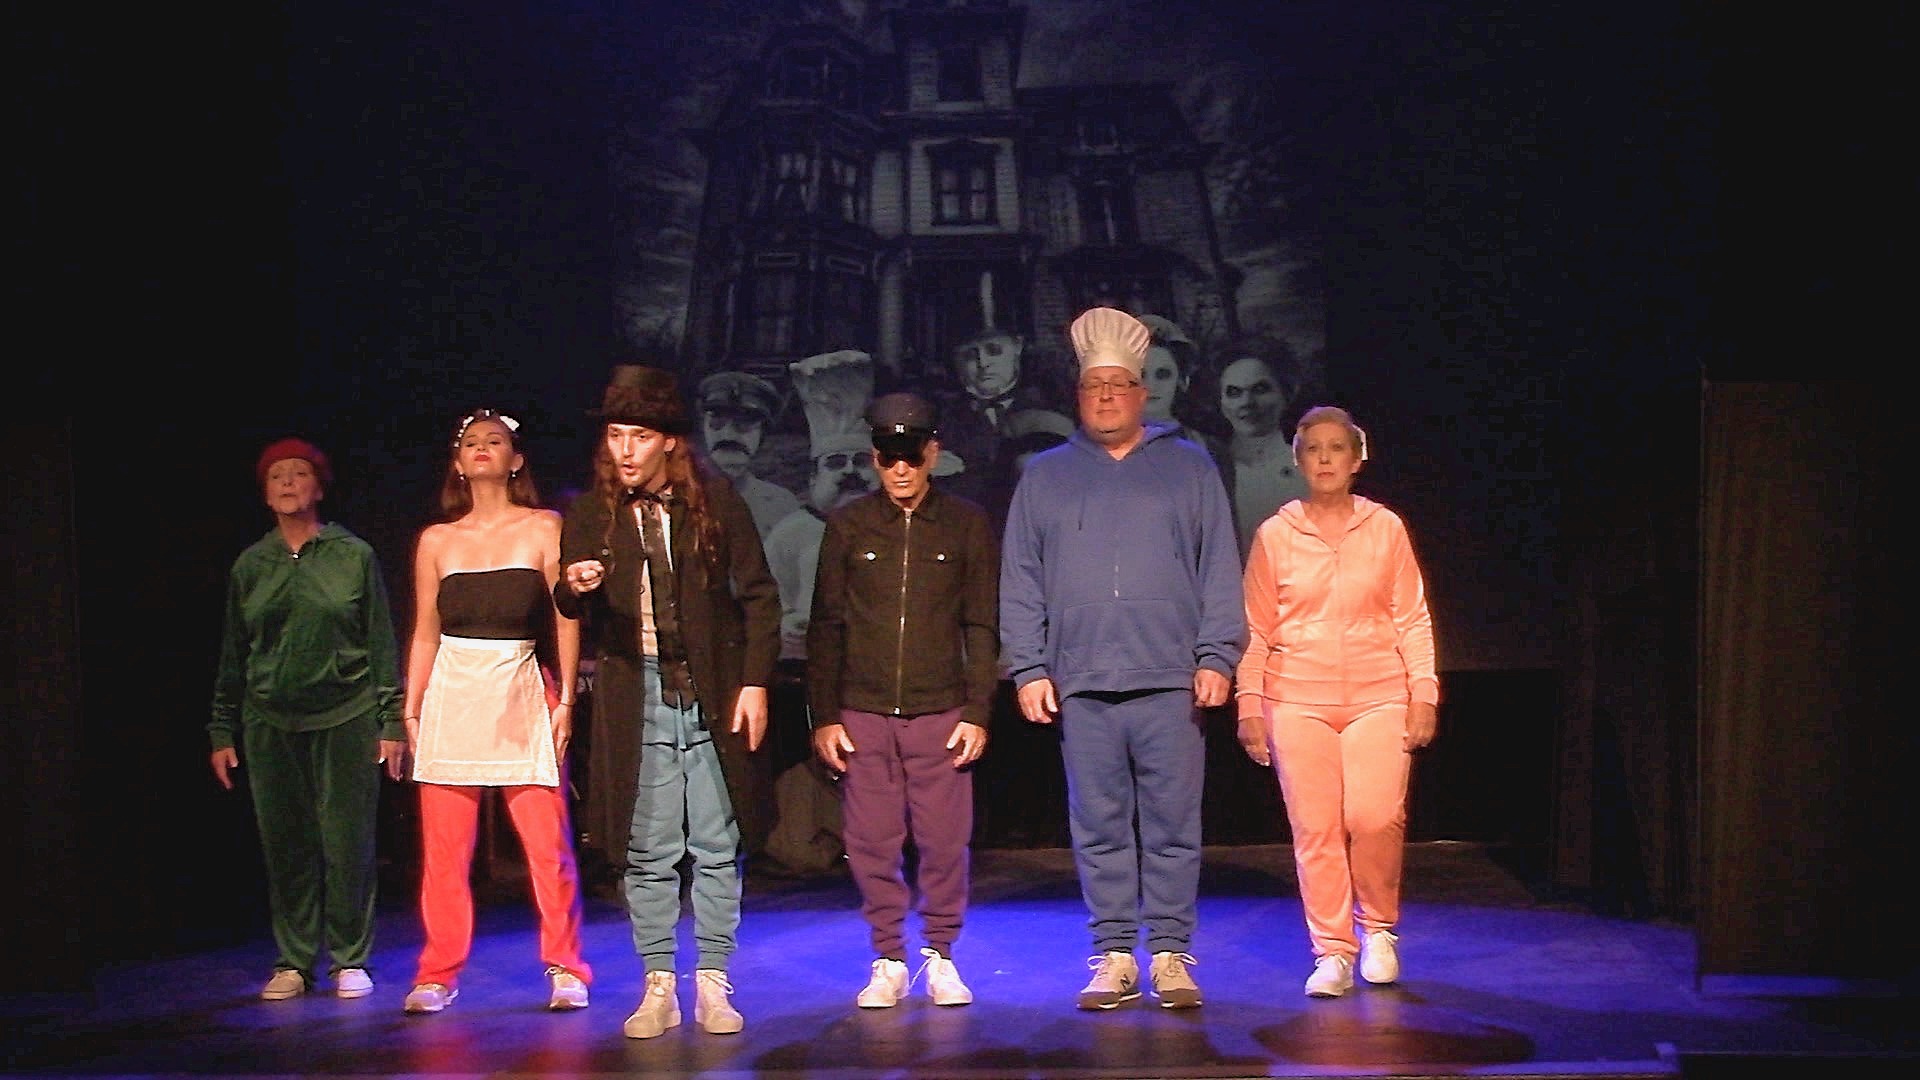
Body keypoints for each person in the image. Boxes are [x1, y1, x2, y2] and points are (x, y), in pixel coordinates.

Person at [1000, 307, 1245, 1010]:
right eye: (1093, 386)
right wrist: (1029, 666)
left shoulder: (1189, 468)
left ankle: (1169, 952)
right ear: (1078, 396)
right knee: (1099, 825)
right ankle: (1113, 955)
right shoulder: (1045, 477)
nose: (1106, 396)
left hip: (1170, 676)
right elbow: (1020, 578)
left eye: (1119, 385)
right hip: (1081, 682)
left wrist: (1217, 655)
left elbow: (1218, 569)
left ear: (1142, 393)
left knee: (1172, 824)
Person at [555, 364, 781, 1039]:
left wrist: (754, 681)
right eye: (617, 435)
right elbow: (566, 600)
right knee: (647, 846)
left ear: (670, 443)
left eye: (640, 435)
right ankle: (658, 983)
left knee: (717, 841)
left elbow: (761, 598)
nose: (625, 449)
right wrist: (577, 584)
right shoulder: (592, 511)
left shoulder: (714, 502)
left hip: (710, 690)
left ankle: (712, 979)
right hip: (639, 690)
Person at [1234, 405, 1439, 998]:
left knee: (1374, 817)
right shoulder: (1275, 534)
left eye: (1336, 448)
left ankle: (1378, 929)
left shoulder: (1386, 529)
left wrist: (1423, 693)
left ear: (1357, 458)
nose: (1325, 458)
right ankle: (1331, 950)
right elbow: (1256, 628)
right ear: (1298, 461)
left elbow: (1412, 618)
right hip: (1296, 697)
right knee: (1316, 828)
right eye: (1313, 449)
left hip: (1379, 694)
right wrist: (1250, 704)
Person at [807, 392, 998, 1009]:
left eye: (911, 455)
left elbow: (981, 624)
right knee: (870, 842)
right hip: (863, 713)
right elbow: (825, 626)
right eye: (889, 457)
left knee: (945, 842)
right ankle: (887, 955)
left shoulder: (966, 523)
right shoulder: (848, 525)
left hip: (941, 710)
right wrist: (825, 716)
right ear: (875, 458)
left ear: (932, 452)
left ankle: (940, 953)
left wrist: (978, 711)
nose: (901, 469)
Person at [399, 409, 592, 1015]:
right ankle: (437, 971)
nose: (482, 449)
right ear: (458, 463)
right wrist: (411, 702)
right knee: (444, 851)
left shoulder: (543, 527)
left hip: (519, 686)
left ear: (517, 459)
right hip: (453, 691)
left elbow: (566, 614)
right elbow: (426, 629)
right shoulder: (437, 540)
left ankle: (566, 964)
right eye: (471, 443)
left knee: (546, 844)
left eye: (496, 441)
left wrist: (566, 699)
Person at [208, 438, 406, 1001]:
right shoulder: (251, 565)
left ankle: (349, 958)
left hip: (345, 716)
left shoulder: (353, 555)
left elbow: (380, 643)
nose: (288, 483)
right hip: (269, 719)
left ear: (319, 487)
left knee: (347, 844)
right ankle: (293, 960)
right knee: (286, 845)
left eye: (299, 474)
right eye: (277, 477)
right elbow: (233, 653)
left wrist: (390, 722)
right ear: (265, 494)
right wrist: (221, 729)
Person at [1216, 353, 1308, 554]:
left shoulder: (1309, 472)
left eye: (1260, 389)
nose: (1246, 402)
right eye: (1234, 392)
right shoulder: (1209, 472)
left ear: (1287, 394)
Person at [696, 370, 799, 540]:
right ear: (703, 427)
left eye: (745, 423)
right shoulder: (677, 498)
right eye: (717, 421)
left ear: (762, 434)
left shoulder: (782, 506)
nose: (728, 435)